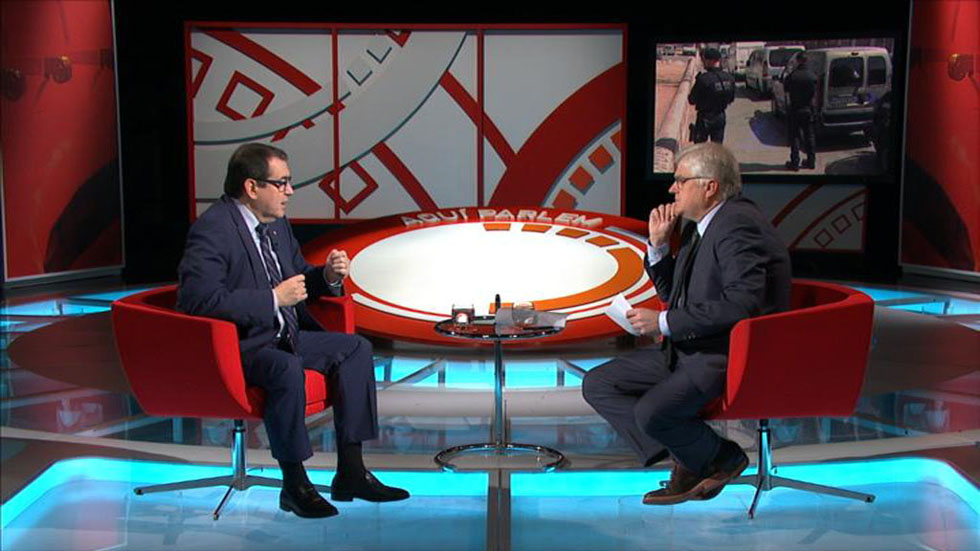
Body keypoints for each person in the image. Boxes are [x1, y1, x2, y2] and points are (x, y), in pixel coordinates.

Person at [177, 143, 408, 518]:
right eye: (281, 183)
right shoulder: (213, 230)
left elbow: (298, 278)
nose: (290, 191)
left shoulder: (276, 224)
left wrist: (327, 277)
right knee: (284, 367)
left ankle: (351, 472)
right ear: (252, 187)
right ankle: (295, 484)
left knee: (356, 349)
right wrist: (272, 299)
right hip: (242, 346)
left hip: (286, 334)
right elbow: (198, 300)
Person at [582, 143, 791, 505]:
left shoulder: (738, 225)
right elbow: (674, 293)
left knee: (652, 413)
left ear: (710, 186)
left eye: (680, 181)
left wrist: (664, 322)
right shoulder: (702, 226)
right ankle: (694, 456)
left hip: (723, 355)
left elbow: (744, 303)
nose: (671, 189)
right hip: (691, 347)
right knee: (599, 383)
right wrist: (659, 247)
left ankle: (721, 457)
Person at [688, 47, 736, 143]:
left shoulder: (703, 79)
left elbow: (691, 99)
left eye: (704, 60)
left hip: (704, 118)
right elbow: (731, 99)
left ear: (709, 61)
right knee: (717, 147)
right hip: (720, 116)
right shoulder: (729, 78)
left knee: (700, 148)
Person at [784, 53, 818, 170]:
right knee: (809, 136)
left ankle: (795, 163)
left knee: (795, 136)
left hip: (795, 109)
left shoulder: (792, 76)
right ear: (807, 61)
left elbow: (786, 89)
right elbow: (815, 93)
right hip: (808, 109)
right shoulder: (813, 76)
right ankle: (811, 161)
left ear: (798, 61)